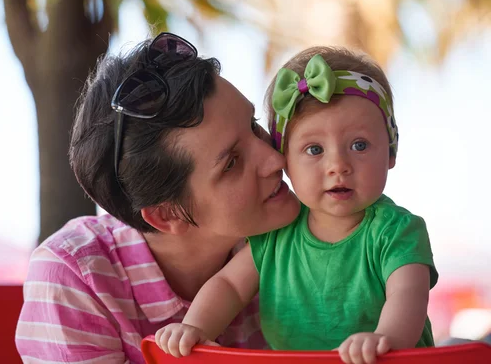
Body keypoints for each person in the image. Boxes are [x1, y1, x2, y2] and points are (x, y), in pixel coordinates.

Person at [14, 32, 302, 363]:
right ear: (167, 215)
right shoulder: (76, 276)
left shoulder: (316, 234)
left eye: (253, 125)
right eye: (232, 163)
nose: (276, 159)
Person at [155, 47, 439, 364]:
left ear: (390, 153)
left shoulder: (397, 231)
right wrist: (194, 327)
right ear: (286, 162)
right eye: (314, 149)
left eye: (359, 145)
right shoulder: (279, 233)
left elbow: (407, 296)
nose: (338, 165)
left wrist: (386, 339)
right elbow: (230, 285)